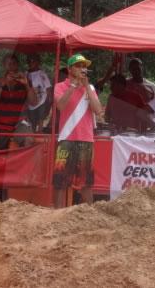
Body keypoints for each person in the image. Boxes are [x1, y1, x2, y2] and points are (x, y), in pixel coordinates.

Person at [53, 54, 103, 208]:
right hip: (66, 138)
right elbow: (61, 106)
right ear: (70, 69)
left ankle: (90, 215)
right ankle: (57, 216)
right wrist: (73, 86)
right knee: (60, 181)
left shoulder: (91, 88)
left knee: (86, 182)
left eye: (84, 66)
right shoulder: (60, 86)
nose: (83, 69)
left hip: (86, 139)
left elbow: (98, 110)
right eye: (79, 66)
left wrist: (87, 86)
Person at [0, 53, 37, 149]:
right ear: (4, 65)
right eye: (8, 64)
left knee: (29, 140)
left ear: (17, 65)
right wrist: (4, 84)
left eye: (14, 63)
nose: (11, 66)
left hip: (20, 123)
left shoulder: (25, 81)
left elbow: (34, 102)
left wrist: (27, 85)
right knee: (1, 152)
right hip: (2, 124)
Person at [26, 54, 52, 132]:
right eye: (29, 61)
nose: (31, 63)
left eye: (33, 61)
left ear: (38, 62)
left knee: (40, 118)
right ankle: (33, 133)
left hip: (42, 100)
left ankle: (40, 132)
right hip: (31, 101)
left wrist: (49, 100)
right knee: (32, 119)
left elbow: (48, 87)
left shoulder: (42, 74)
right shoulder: (26, 74)